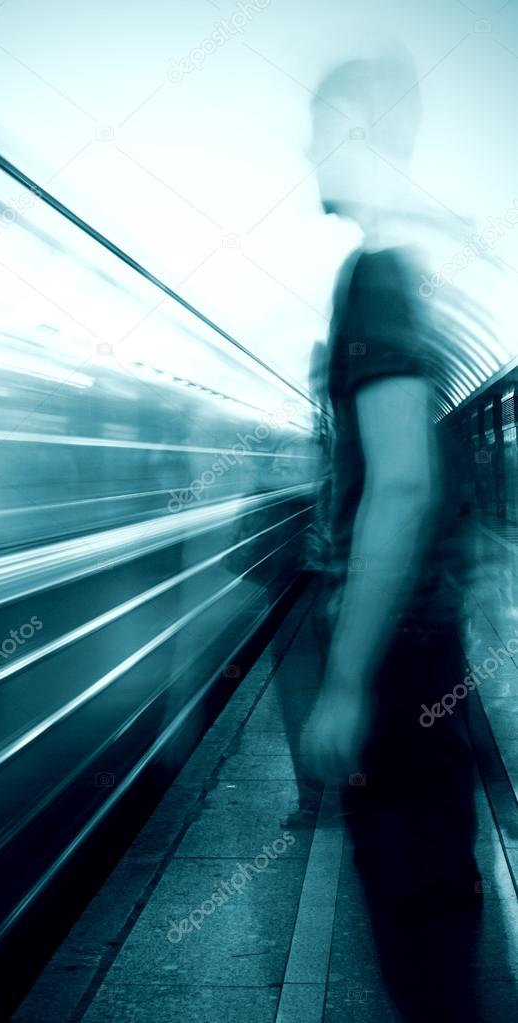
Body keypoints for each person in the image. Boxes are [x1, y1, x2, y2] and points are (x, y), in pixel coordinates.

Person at [301, 52, 486, 1022]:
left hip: (399, 664)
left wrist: (343, 683)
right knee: (439, 934)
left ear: (361, 137)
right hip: (430, 655)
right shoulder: (424, 268)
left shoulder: (376, 275)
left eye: (322, 128)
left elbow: (400, 485)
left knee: (420, 948)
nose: (307, 150)